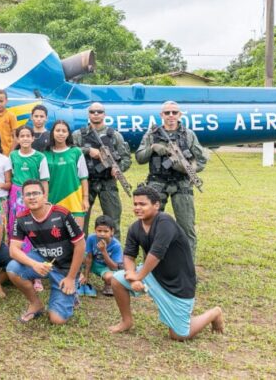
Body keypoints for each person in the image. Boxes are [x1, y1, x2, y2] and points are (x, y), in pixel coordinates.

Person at [109, 186, 224, 340]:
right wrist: (132, 276)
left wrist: (138, 276)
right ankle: (126, 321)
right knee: (116, 280)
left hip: (178, 284)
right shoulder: (135, 228)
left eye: (142, 204)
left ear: (156, 205)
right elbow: (129, 256)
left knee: (180, 335)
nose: (137, 208)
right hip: (152, 274)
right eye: (135, 204)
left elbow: (156, 254)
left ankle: (214, 313)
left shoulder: (165, 222)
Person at [135, 101, 207, 260]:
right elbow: (139, 157)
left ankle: (187, 267)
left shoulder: (188, 134)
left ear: (180, 115)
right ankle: (150, 266)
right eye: (167, 113)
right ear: (161, 115)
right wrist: (152, 147)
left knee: (186, 227)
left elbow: (202, 160)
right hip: (156, 183)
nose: (171, 116)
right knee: (151, 224)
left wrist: (186, 167)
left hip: (182, 184)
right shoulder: (152, 134)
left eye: (174, 112)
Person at [6, 179, 85, 325]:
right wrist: (34, 264)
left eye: (36, 193)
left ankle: (72, 292)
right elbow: (13, 250)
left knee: (57, 320)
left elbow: (80, 246)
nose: (32, 197)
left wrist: (71, 277)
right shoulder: (22, 218)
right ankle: (35, 304)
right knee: (12, 268)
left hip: (65, 269)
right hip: (43, 260)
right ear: (23, 199)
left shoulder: (62, 214)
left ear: (44, 195)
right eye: (27, 194)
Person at [72, 102, 132, 238]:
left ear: (104, 114)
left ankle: (113, 253)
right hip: (86, 182)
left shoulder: (114, 135)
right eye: (93, 112)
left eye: (99, 111)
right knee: (81, 220)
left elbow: (126, 158)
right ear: (89, 114)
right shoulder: (78, 135)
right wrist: (87, 150)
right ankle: (82, 254)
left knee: (113, 220)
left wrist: (118, 168)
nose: (96, 114)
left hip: (108, 182)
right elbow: (70, 152)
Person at [45, 120, 89, 230]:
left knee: (77, 238)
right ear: (52, 133)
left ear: (68, 133)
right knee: (56, 239)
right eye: (58, 130)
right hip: (53, 202)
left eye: (64, 131)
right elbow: (43, 181)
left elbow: (83, 178)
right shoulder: (45, 154)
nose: (60, 133)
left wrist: (85, 199)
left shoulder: (76, 152)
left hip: (75, 201)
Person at [8, 126, 49, 244]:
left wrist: (45, 198)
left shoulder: (40, 157)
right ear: (18, 139)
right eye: (22, 136)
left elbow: (44, 180)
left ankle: (32, 249)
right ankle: (15, 248)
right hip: (16, 194)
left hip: (34, 193)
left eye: (28, 136)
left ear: (33, 138)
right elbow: (10, 176)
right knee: (15, 221)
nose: (25, 139)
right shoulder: (13, 155)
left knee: (33, 220)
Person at [79, 215, 123, 297]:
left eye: (106, 231)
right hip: (93, 263)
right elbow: (89, 257)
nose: (102, 234)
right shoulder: (91, 238)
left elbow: (114, 267)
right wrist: (86, 276)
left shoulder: (116, 245)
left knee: (110, 277)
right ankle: (79, 278)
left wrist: (104, 251)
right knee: (78, 255)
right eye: (99, 231)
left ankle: (108, 285)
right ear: (95, 230)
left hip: (107, 267)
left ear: (112, 231)